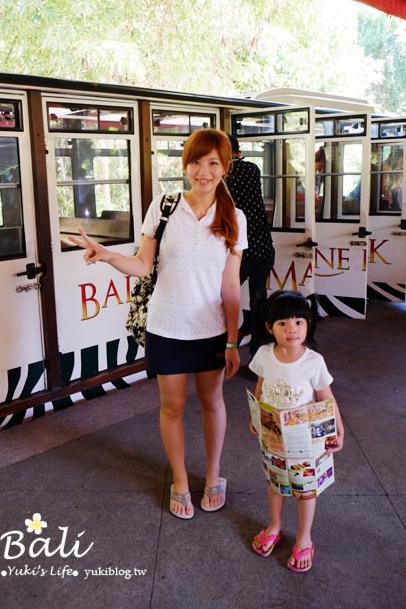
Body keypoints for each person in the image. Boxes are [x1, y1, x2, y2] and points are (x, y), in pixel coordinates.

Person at [69, 128, 247, 520]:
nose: (203, 171)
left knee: (212, 403)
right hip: (166, 327)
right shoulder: (164, 207)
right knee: (172, 406)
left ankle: (214, 474)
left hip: (212, 330)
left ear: (225, 168)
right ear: (186, 165)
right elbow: (142, 265)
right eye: (196, 162)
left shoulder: (234, 217)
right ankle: (181, 480)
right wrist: (107, 255)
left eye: (212, 163)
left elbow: (231, 284)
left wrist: (233, 340)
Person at [248, 290, 344, 572]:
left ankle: (304, 537)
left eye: (298, 322)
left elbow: (327, 398)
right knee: (275, 483)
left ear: (308, 323)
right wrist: (255, 415)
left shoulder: (314, 361)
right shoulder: (264, 354)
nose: (292, 329)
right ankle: (275, 525)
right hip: (274, 438)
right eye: (283, 324)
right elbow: (260, 387)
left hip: (306, 440)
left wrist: (339, 428)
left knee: (306, 490)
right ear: (269, 327)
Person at [225, 135, 275, 356]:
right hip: (263, 246)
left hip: (238, 249)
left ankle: (225, 347)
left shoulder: (226, 175)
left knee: (222, 298)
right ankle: (259, 350)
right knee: (258, 297)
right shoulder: (252, 169)